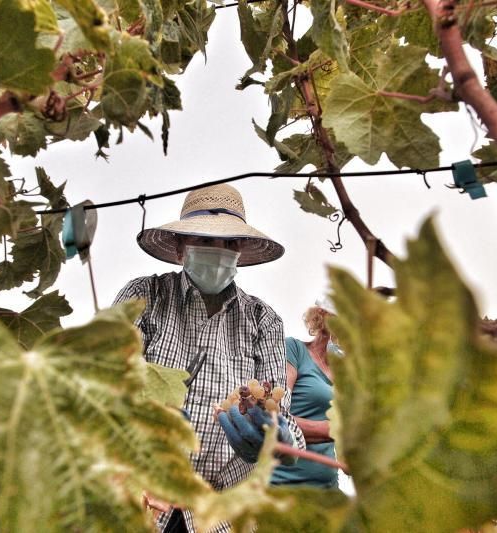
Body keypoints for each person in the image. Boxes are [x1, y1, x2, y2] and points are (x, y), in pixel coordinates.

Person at [113, 183, 305, 532]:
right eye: (205, 240)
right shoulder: (146, 296)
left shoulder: (263, 320)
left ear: (240, 252)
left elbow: (282, 413)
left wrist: (276, 439)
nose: (217, 250)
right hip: (141, 502)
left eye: (228, 243)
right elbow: (106, 385)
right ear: (180, 248)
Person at [271, 299, 340, 489]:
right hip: (283, 486)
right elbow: (275, 417)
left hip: (327, 489)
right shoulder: (294, 349)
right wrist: (332, 430)